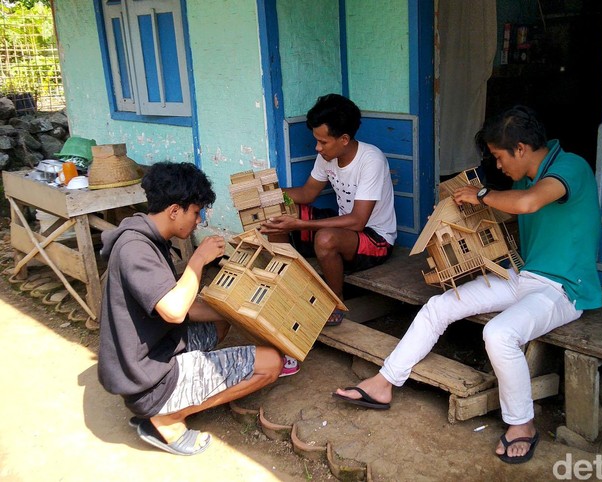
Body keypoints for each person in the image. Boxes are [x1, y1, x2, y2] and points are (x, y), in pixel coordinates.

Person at [333, 105, 602, 464]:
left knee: (499, 333)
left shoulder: (570, 167)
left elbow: (526, 203)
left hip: (565, 289)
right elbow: (509, 208)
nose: (500, 165)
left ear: (521, 148)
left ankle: (522, 425)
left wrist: (481, 195)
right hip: (523, 276)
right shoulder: (527, 177)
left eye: (499, 156)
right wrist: (457, 210)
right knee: (440, 305)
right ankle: (384, 383)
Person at [97, 161, 283, 456]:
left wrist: (237, 311)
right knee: (272, 363)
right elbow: (174, 310)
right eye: (196, 212)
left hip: (152, 356)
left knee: (221, 323)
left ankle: (180, 393)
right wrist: (198, 260)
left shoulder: (146, 236)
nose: (199, 220)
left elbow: (188, 308)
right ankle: (167, 416)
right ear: (174, 210)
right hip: (150, 381)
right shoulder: (136, 249)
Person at [261, 93, 397, 327]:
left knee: (325, 239)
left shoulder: (371, 160)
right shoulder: (327, 157)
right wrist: (267, 195)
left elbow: (357, 222)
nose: (317, 147)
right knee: (276, 213)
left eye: (323, 142)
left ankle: (335, 300)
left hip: (375, 239)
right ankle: (285, 286)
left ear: (344, 139)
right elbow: (307, 193)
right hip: (344, 225)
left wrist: (301, 225)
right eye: (316, 141)